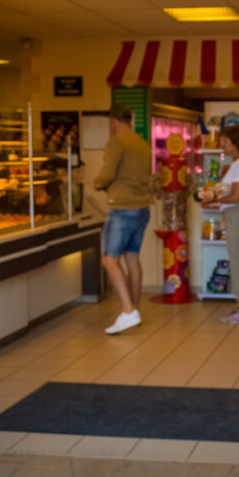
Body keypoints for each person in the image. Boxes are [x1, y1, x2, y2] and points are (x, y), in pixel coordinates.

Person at [94, 103, 152, 335]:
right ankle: (134, 311)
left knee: (109, 260)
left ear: (112, 121)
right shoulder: (142, 143)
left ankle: (128, 312)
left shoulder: (116, 142)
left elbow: (107, 174)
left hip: (122, 208)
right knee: (132, 259)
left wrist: (97, 183)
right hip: (142, 208)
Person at [201, 125, 239, 324]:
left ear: (233, 143)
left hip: (237, 215)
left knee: (237, 262)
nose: (221, 143)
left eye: (224, 140)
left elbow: (235, 196)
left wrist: (214, 200)